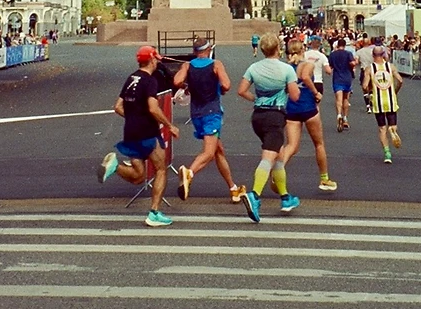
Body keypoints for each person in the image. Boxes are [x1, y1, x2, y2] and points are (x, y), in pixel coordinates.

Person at [98, 45, 180, 227]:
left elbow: (117, 106)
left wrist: (134, 117)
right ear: (151, 60)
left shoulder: (131, 78)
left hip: (130, 131)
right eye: (156, 59)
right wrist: (169, 125)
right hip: (147, 131)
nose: (158, 61)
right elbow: (153, 108)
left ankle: (115, 167)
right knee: (161, 168)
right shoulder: (150, 81)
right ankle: (154, 212)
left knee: (138, 176)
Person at [236, 31, 301, 223]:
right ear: (278, 48)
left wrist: (256, 98)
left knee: (278, 157)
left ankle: (285, 197)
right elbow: (295, 96)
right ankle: (254, 195)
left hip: (258, 116)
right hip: (276, 116)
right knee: (268, 158)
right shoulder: (286, 69)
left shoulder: (253, 68)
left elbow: (241, 91)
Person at [172, 37, 245, 204]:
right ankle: (189, 173)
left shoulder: (187, 65)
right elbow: (226, 85)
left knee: (219, 151)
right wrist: (218, 87)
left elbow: (176, 81)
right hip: (212, 112)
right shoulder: (216, 64)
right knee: (209, 152)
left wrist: (188, 85)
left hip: (196, 113)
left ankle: (233, 189)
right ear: (209, 49)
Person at [282, 39, 337, 191]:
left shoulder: (286, 68)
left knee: (291, 145)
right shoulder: (307, 64)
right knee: (319, 144)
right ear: (302, 50)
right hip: (308, 108)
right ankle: (324, 178)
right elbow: (305, 76)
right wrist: (316, 92)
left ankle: (279, 169)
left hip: (292, 108)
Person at [363, 45, 403, 163]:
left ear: (373, 55)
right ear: (384, 55)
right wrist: (395, 91)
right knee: (392, 124)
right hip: (390, 99)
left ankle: (387, 153)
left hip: (378, 101)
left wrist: (368, 90)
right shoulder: (390, 67)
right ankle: (393, 129)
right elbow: (400, 80)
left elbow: (365, 86)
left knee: (381, 128)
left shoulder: (369, 69)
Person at [328, 38, 357, 132]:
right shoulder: (348, 54)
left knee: (338, 99)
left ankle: (339, 115)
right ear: (344, 45)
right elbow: (353, 63)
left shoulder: (333, 54)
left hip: (337, 78)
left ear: (337, 45)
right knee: (346, 99)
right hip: (347, 78)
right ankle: (345, 118)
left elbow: (330, 67)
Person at [304, 33, 331, 98]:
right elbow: (328, 71)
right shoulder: (322, 56)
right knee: (316, 104)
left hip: (307, 81)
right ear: (320, 45)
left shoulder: (304, 55)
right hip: (318, 81)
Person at [355, 36, 374, 112]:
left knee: (364, 88)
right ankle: (372, 98)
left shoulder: (359, 52)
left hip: (364, 70)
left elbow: (356, 61)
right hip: (372, 70)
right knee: (371, 87)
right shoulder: (372, 51)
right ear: (369, 43)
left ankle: (368, 106)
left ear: (362, 43)